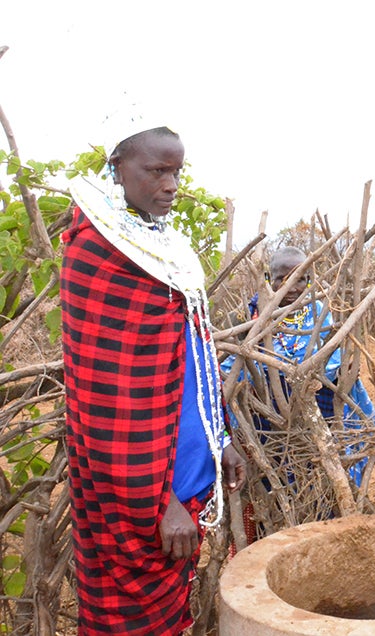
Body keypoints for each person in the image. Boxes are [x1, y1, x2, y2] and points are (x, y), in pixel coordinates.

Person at [61, 123, 245, 635]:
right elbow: (102, 402)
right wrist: (158, 502)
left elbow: (195, 358)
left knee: (169, 616)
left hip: (184, 463)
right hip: (136, 487)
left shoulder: (161, 247)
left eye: (177, 171)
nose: (171, 185)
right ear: (117, 166)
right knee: (128, 624)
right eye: (156, 170)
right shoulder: (97, 254)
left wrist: (219, 439)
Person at [223, 246, 375, 491]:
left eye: (302, 279)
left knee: (319, 478)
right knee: (273, 478)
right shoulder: (248, 316)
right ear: (267, 279)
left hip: (319, 407)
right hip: (265, 414)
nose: (293, 288)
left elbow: (334, 360)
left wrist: (341, 371)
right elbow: (230, 368)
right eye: (283, 279)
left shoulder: (321, 313)